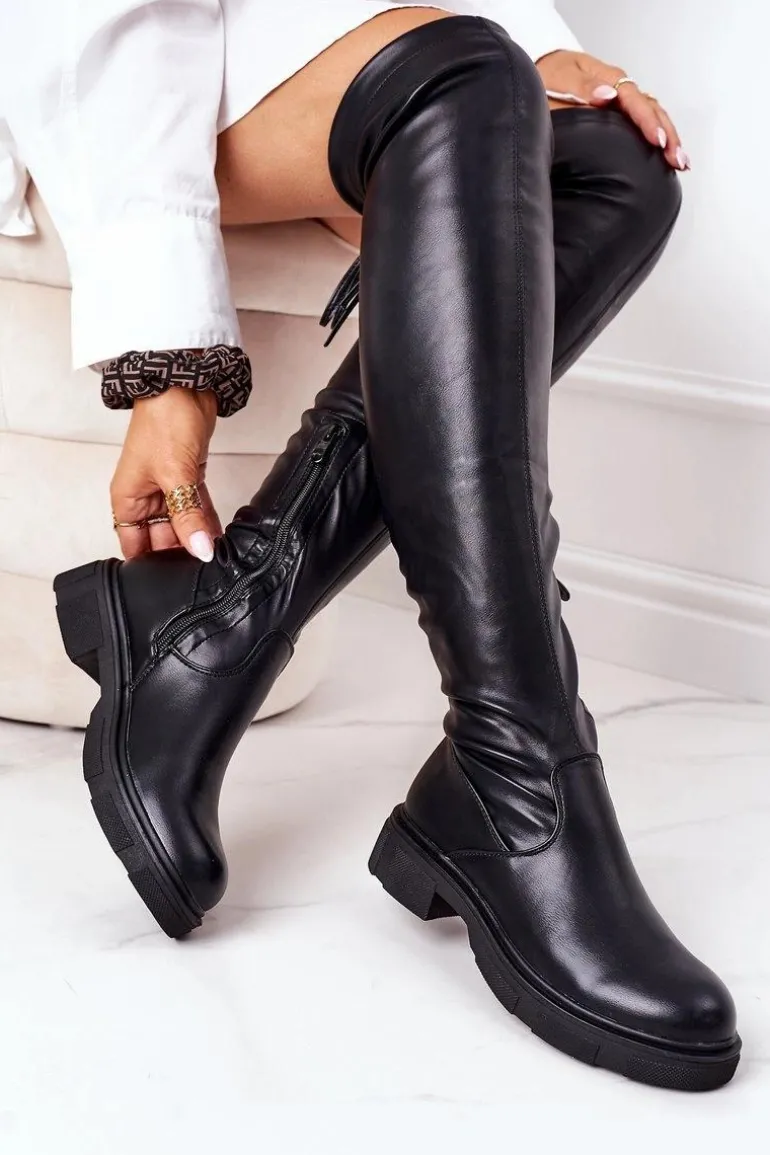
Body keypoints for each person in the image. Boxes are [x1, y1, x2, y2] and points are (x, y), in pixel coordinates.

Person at [1, 2, 739, 1090]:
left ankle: (217, 627)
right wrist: (169, 365)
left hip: (272, 37)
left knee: (611, 163)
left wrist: (532, 44)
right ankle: (514, 769)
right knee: (456, 79)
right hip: (95, 52)